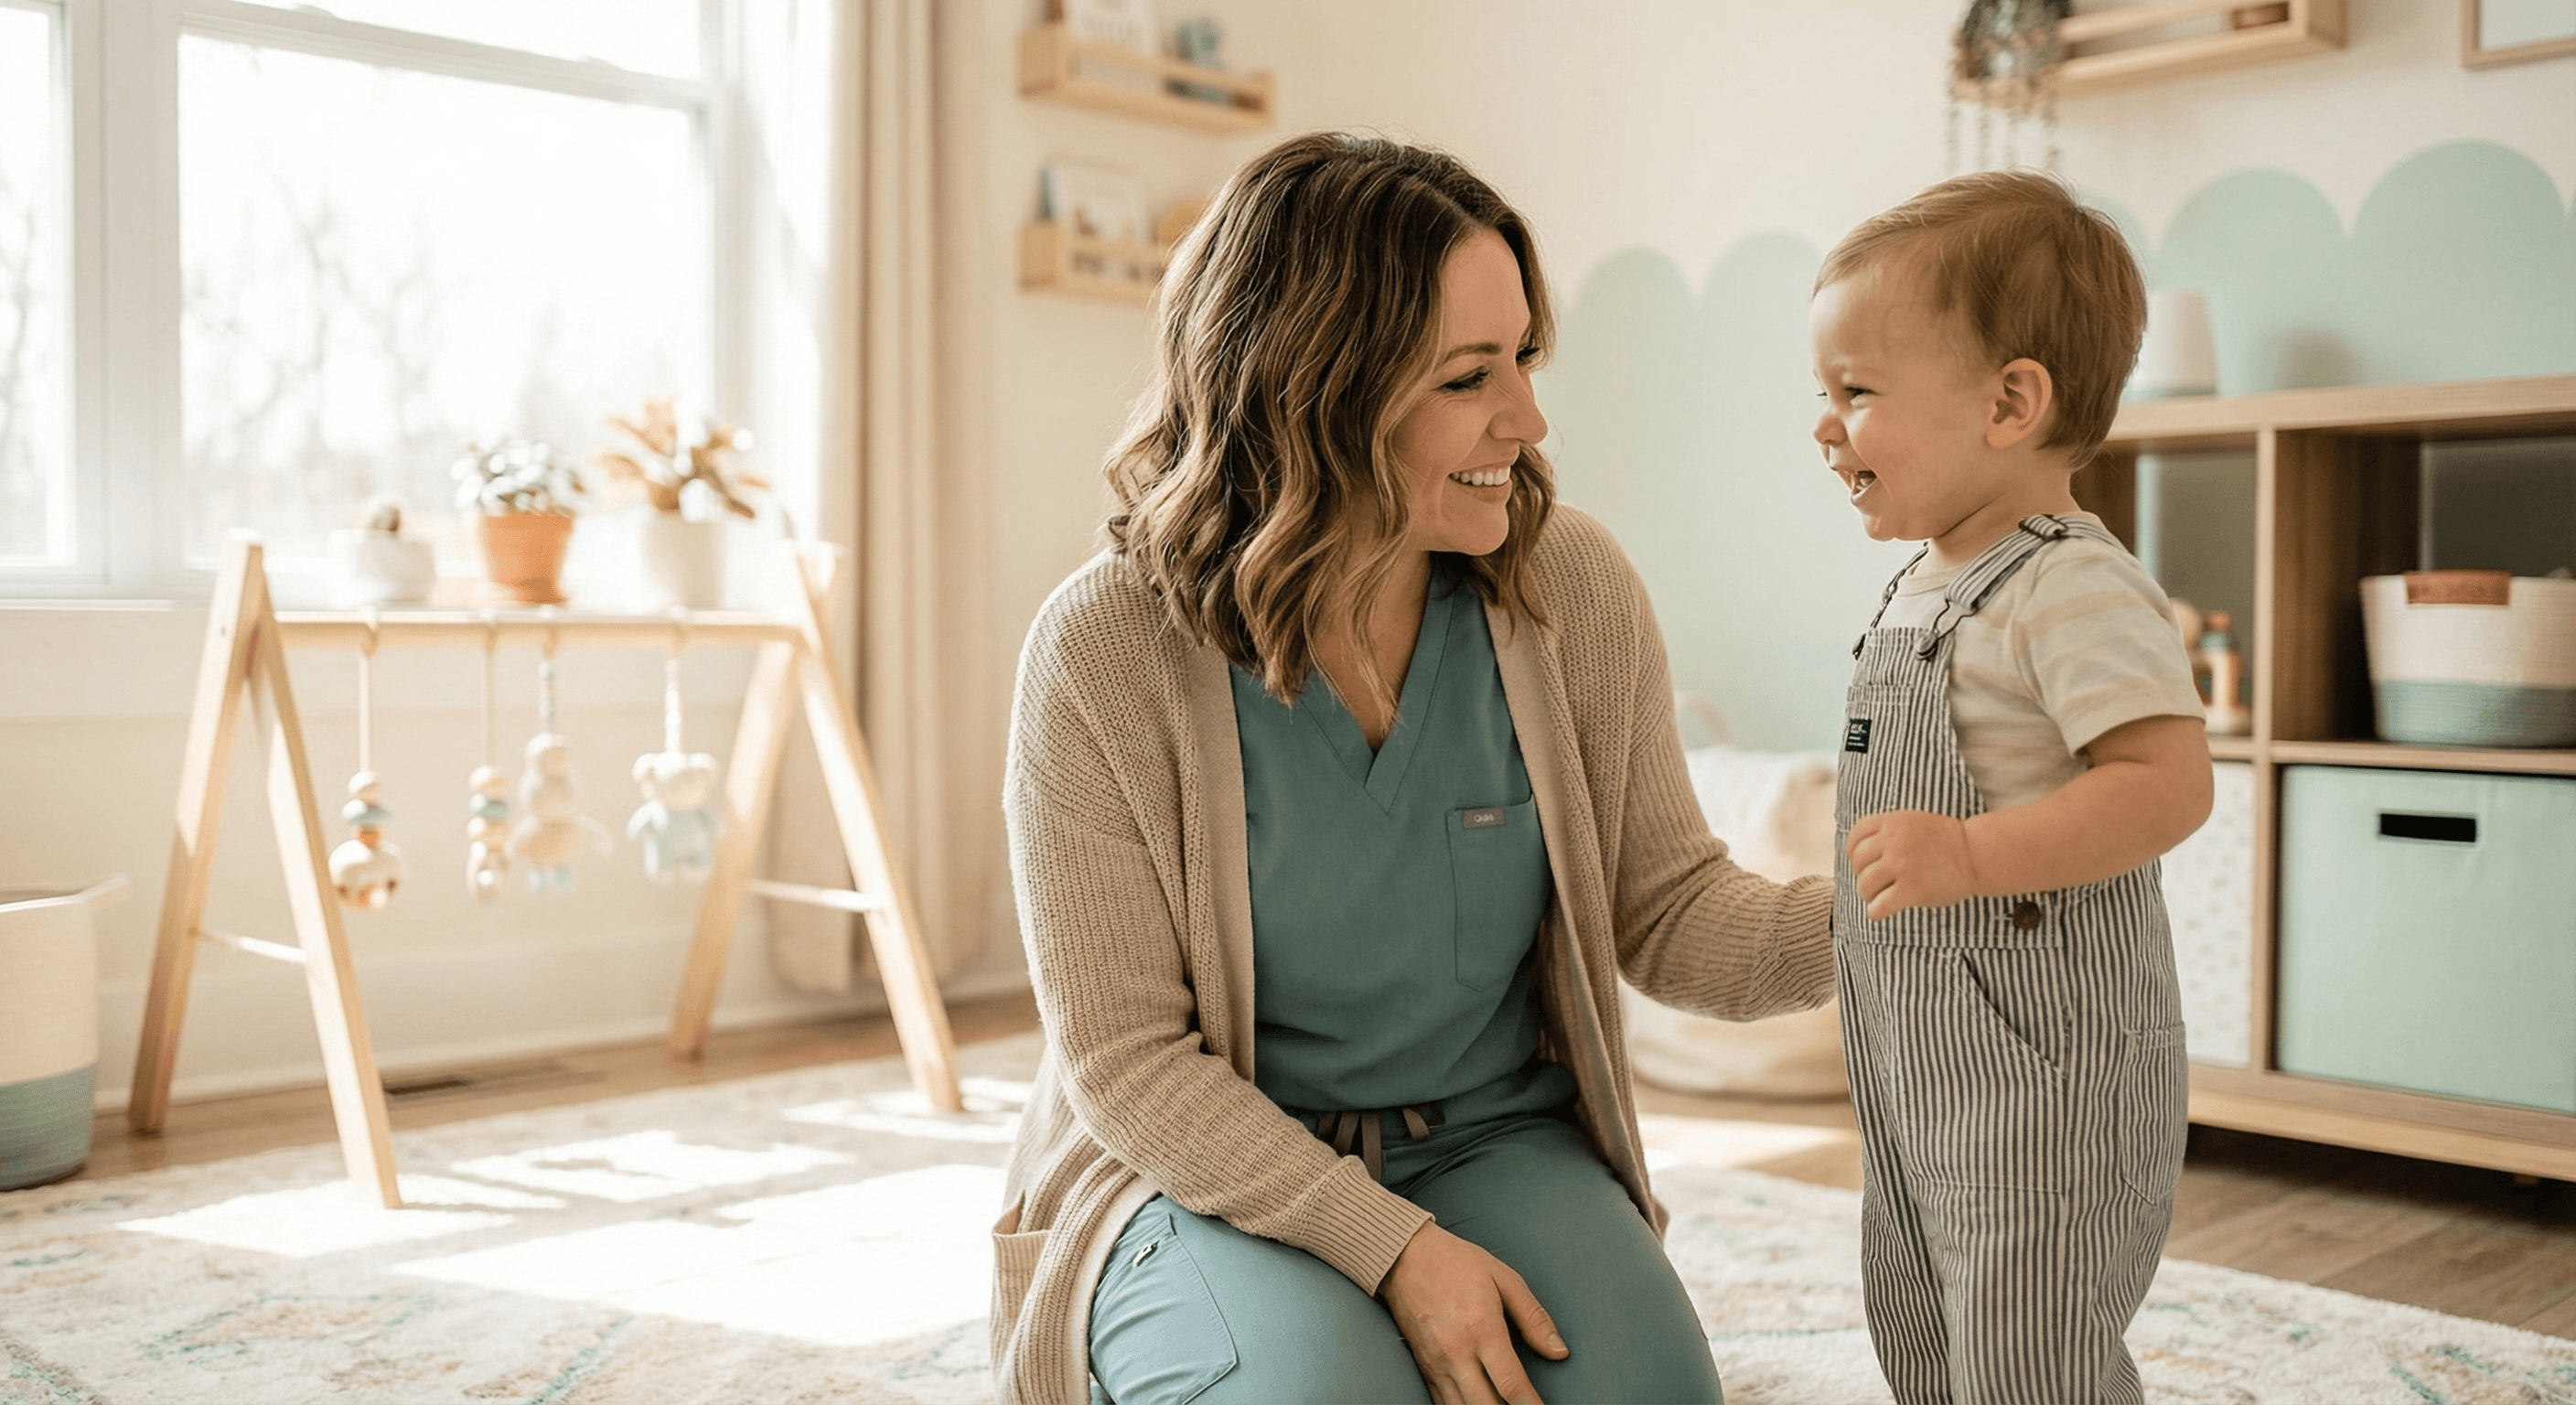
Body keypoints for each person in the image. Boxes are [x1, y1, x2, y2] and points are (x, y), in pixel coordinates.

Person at [993, 131, 1835, 1405]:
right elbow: (1126, 1063)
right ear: (1315, 390)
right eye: (1467, 378)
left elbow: (1668, 911)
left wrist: (1889, 914)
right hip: (1201, 1171)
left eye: (1525, 360)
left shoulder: (1571, 590)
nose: (1528, 418)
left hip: (1494, 1137)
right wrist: (1397, 1256)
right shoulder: (1104, 649)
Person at [1808, 168, 2215, 1404]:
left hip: (2045, 1068)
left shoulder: (2071, 588)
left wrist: (1973, 860)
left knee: (2031, 1333)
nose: (1827, 426)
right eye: (1823, 395)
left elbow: (2167, 783)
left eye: (1858, 392)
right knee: (1924, 1296)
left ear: (2011, 404)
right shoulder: (1926, 583)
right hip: (1921, 1048)